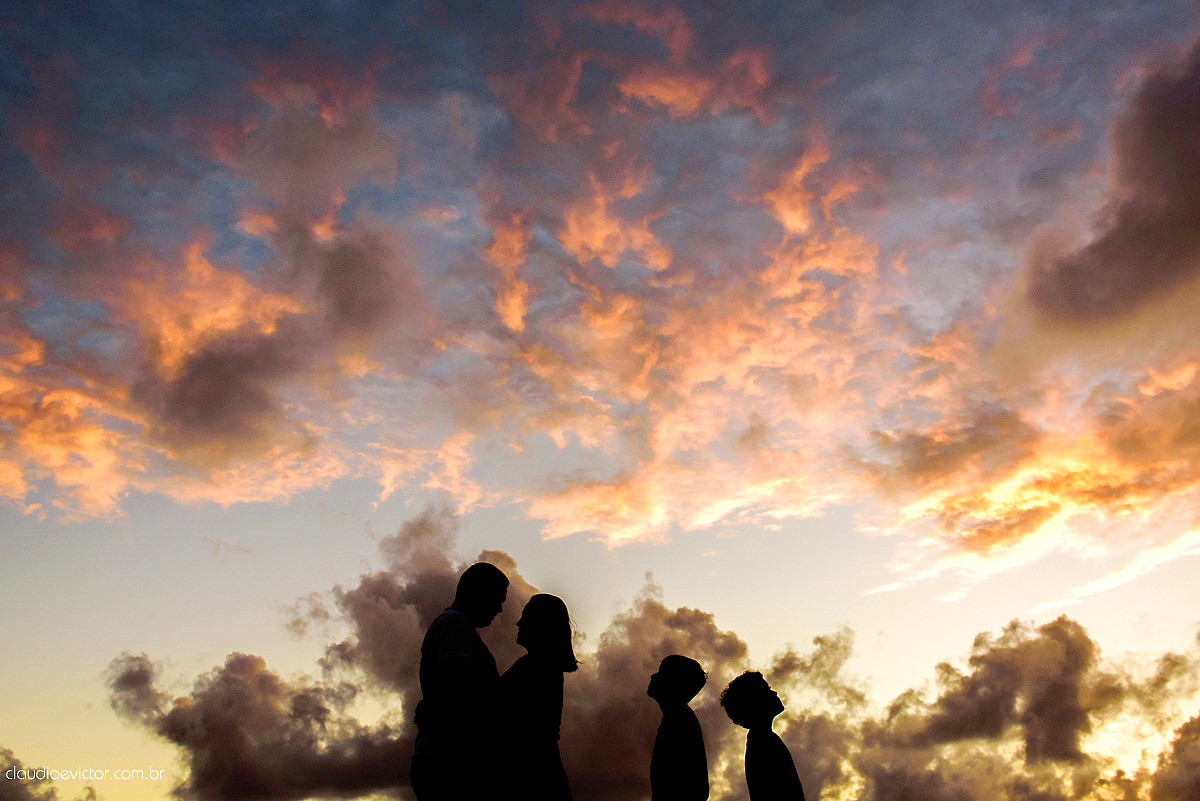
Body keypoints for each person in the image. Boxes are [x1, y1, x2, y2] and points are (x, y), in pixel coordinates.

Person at [410, 562, 509, 801]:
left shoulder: (455, 625)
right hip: (449, 759)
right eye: (497, 599)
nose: (499, 609)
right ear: (479, 594)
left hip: (447, 756)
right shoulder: (454, 624)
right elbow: (458, 685)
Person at [497, 593, 579, 801]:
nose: (519, 623)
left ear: (541, 625)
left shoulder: (535, 667)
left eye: (526, 617)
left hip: (532, 774)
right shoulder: (540, 666)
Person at [719, 671, 805, 801]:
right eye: (767, 690)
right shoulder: (764, 743)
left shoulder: (761, 740)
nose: (774, 693)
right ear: (756, 703)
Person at [648, 654, 709, 801]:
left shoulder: (679, 718)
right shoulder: (676, 716)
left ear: (673, 682)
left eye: (662, 672)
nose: (653, 676)